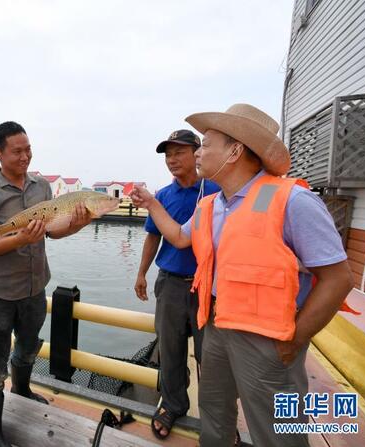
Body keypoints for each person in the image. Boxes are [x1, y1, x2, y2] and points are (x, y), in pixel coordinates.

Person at [131, 104, 353, 446]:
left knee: (276, 429)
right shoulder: (213, 205)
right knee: (215, 413)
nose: (198, 152)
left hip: (270, 339)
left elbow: (338, 278)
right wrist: (152, 204)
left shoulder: (292, 200)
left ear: (235, 151)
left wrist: (294, 340)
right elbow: (178, 237)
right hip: (218, 327)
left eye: (206, 144)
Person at [0, 121, 93, 446]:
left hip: (35, 291)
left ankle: (22, 389)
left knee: (27, 348)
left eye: (28, 149)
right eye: (17, 151)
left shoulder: (42, 188)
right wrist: (19, 237)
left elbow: (53, 231)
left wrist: (78, 225)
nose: (25, 156)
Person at [134, 129, 220, 439]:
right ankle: (172, 404)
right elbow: (153, 237)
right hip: (169, 284)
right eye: (168, 154)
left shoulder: (216, 191)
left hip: (207, 286)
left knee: (211, 356)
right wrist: (142, 273)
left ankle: (217, 418)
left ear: (197, 153)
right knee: (170, 351)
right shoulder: (163, 196)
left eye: (179, 152)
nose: (172, 159)